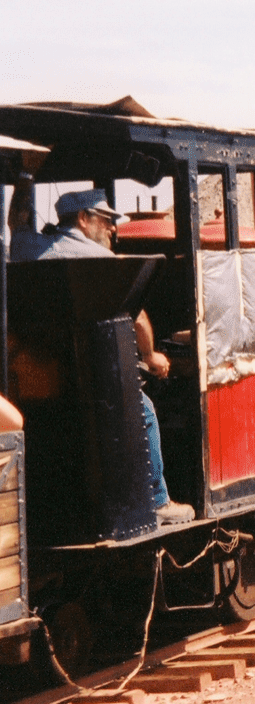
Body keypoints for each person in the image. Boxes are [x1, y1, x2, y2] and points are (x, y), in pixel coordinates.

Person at [12, 189, 194, 525]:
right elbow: (135, 317)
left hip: (40, 377)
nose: (114, 229)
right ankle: (158, 500)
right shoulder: (103, 262)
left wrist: (24, 180)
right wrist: (152, 356)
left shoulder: (27, 248)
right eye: (107, 220)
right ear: (83, 219)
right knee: (146, 410)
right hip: (94, 379)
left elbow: (18, 224)